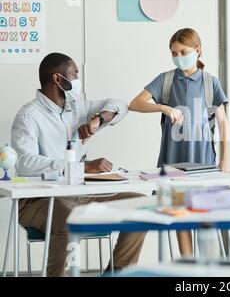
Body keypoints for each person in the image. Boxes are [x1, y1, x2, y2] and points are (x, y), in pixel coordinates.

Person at [11, 52, 146, 276]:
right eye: (74, 74)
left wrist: (97, 120)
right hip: (40, 199)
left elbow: (120, 106)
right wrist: (80, 168)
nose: (77, 79)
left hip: (83, 191)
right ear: (58, 79)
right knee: (69, 216)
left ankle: (117, 273)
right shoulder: (28, 116)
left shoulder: (78, 108)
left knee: (141, 207)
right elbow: (25, 163)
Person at [129, 28, 230, 256]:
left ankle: (205, 267)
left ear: (197, 50)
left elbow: (223, 123)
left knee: (202, 215)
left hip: (202, 160)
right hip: (172, 160)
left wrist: (226, 158)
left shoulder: (210, 83)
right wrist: (163, 107)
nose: (178, 57)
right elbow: (135, 103)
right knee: (178, 214)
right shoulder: (165, 80)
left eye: (183, 52)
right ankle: (189, 265)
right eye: (173, 53)